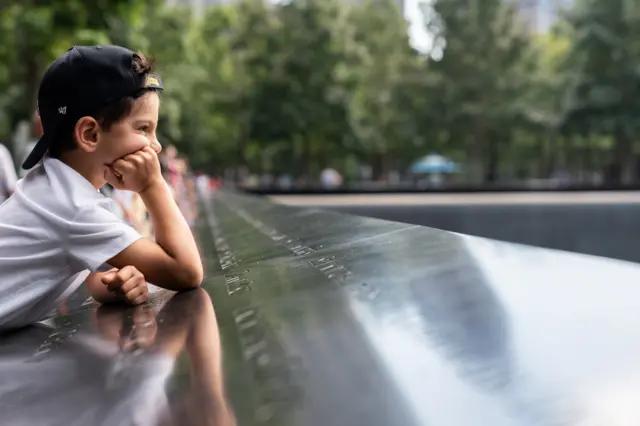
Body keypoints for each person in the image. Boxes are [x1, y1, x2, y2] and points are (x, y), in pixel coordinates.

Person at [0, 45, 203, 330]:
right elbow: (186, 271)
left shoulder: (58, 189)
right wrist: (153, 186)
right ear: (90, 134)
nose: (155, 146)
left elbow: (92, 275)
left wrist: (115, 284)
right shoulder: (74, 208)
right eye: (143, 129)